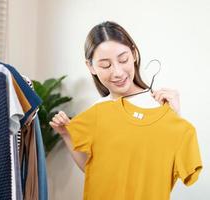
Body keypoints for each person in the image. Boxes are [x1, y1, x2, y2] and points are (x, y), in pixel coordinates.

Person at [49, 21, 202, 199]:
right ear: (91, 67)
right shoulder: (99, 111)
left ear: (134, 54)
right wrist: (66, 134)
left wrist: (176, 118)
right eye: (106, 65)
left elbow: (169, 166)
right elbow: (92, 169)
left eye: (123, 60)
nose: (118, 72)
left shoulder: (162, 106)